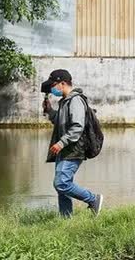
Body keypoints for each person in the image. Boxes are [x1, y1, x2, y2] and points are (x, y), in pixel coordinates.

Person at [41, 69, 103, 217]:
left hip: (73, 149)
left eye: (54, 85)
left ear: (62, 83)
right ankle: (66, 218)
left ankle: (93, 199)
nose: (52, 89)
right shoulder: (65, 101)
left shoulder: (75, 100)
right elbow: (60, 122)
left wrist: (61, 143)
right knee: (62, 186)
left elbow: (77, 126)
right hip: (65, 150)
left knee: (61, 183)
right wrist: (50, 111)